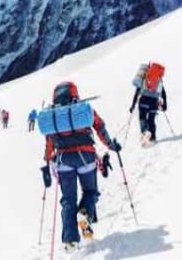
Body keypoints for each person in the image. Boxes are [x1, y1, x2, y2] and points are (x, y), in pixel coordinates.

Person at [42, 81, 121, 252]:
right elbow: (99, 127)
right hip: (86, 157)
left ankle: (70, 240)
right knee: (91, 192)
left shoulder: (53, 115)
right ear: (74, 94)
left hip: (63, 161)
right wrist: (111, 145)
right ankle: (85, 213)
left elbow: (49, 142)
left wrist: (47, 159)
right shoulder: (83, 109)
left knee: (68, 200)